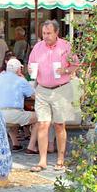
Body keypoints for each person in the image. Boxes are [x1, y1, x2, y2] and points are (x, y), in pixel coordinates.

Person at [28, 19, 78, 172]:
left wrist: (66, 70)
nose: (46, 36)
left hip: (61, 89)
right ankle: (42, 161)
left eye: (49, 33)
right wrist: (31, 70)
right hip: (42, 89)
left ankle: (60, 160)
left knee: (59, 125)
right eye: (44, 33)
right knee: (43, 124)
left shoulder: (66, 46)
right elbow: (31, 64)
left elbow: (75, 64)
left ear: (56, 33)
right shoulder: (37, 47)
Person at [0, 58, 39, 154]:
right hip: (13, 114)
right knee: (39, 117)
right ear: (19, 70)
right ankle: (31, 147)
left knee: (12, 115)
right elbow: (34, 96)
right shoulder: (20, 80)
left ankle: (16, 144)